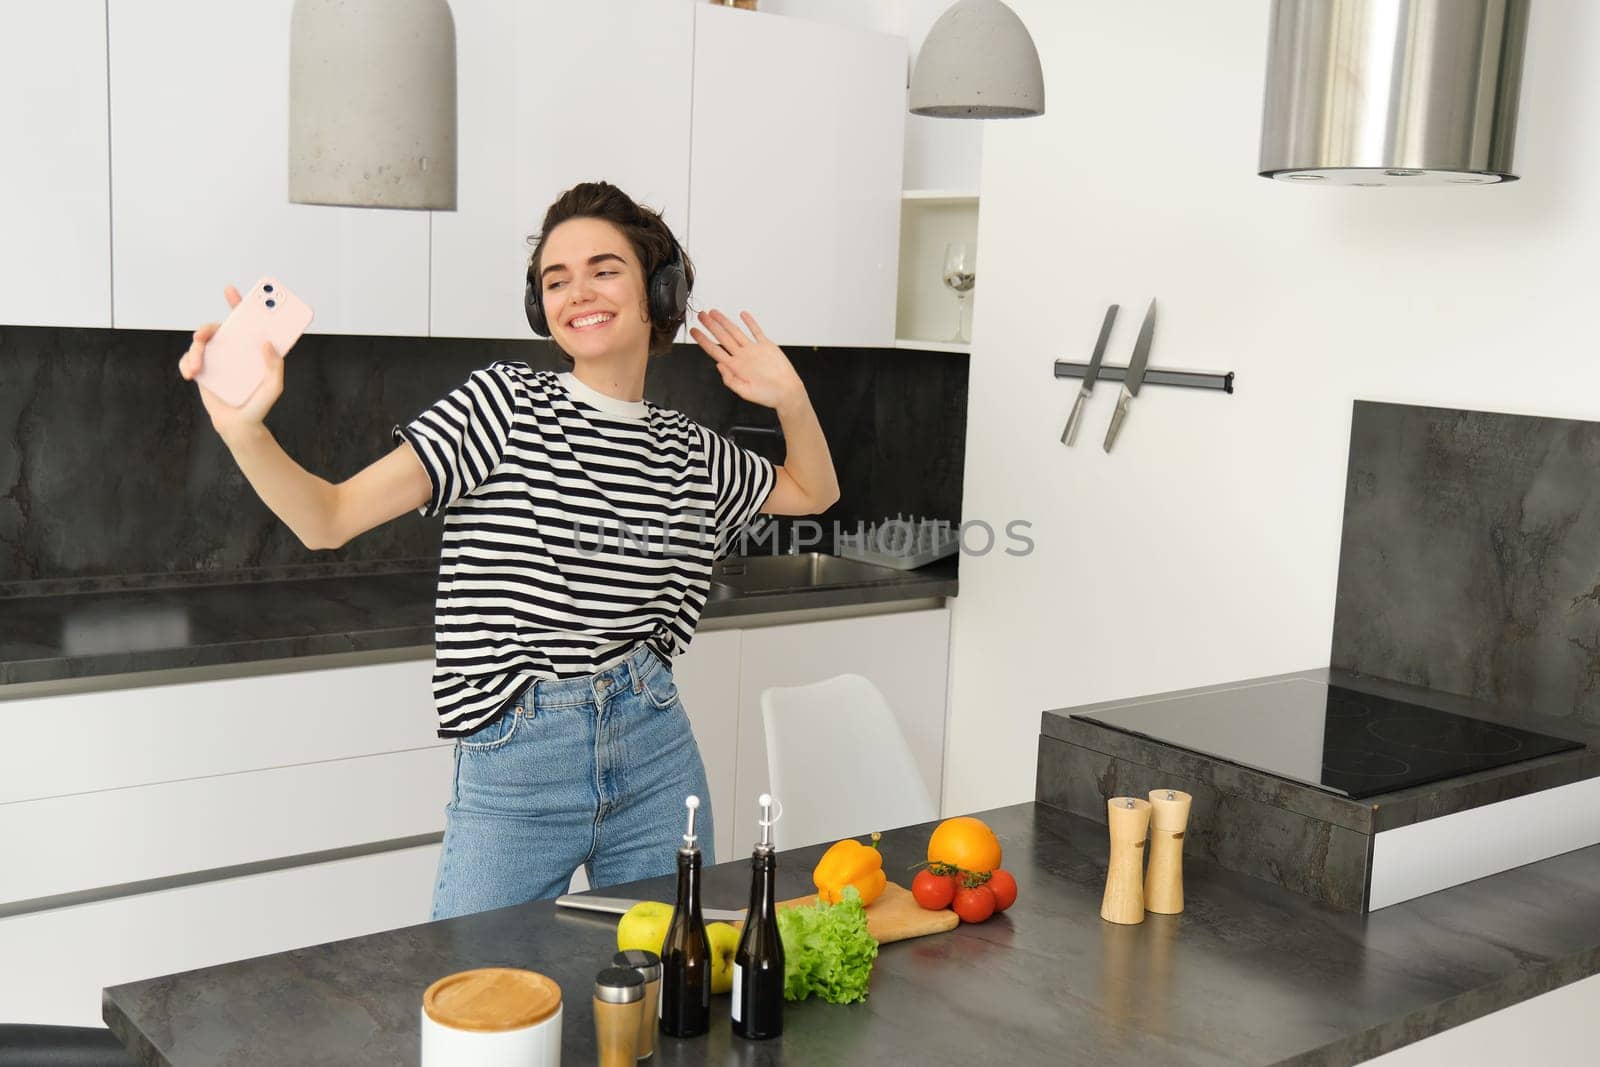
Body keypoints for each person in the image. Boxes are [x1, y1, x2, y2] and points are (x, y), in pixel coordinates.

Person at [177, 180, 840, 919]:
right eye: (555, 280)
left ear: (659, 290)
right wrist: (244, 433)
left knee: (669, 999)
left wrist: (792, 398)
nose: (577, 291)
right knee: (473, 1006)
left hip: (653, 748)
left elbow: (813, 490)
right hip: (517, 758)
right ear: (540, 309)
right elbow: (328, 517)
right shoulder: (501, 404)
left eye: (603, 269)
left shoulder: (688, 449)